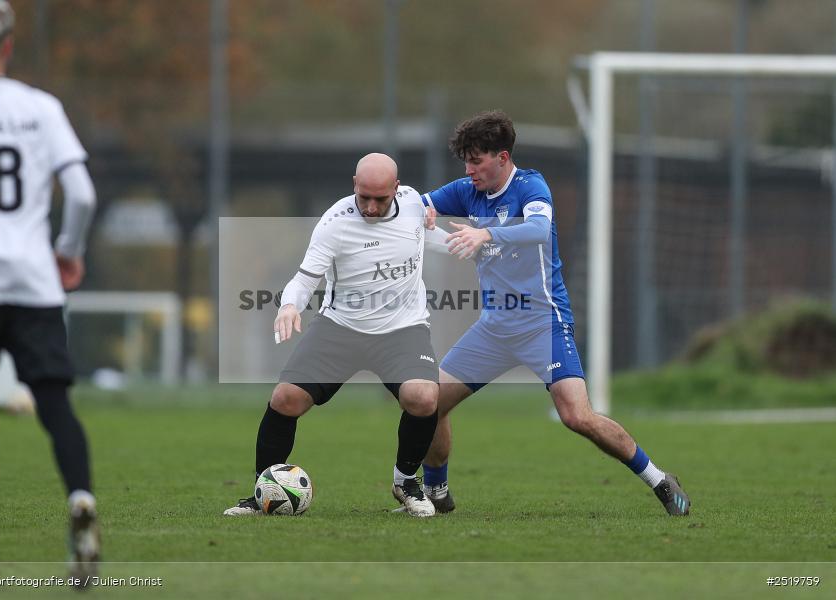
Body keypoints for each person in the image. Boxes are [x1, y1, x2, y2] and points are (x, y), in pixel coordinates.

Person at [419, 110, 690, 516]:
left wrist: (486, 233)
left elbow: (538, 231)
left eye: (477, 160)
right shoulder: (465, 190)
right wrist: (418, 211)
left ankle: (659, 480)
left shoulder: (531, 186)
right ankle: (436, 493)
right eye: (466, 160)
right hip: (493, 327)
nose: (469, 169)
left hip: (542, 324)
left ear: (503, 158)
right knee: (429, 403)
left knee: (577, 417)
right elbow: (416, 205)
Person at [0, 0, 100, 588]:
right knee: (55, 405)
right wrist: (67, 249)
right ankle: (81, 499)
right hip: (33, 282)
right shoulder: (41, 108)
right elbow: (80, 192)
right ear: (7, 46)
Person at [224, 153, 446, 518]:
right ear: (354, 185)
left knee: (423, 398)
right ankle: (262, 493)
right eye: (364, 198)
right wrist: (289, 305)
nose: (371, 208)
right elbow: (306, 277)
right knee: (285, 399)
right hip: (340, 328)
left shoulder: (412, 203)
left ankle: (405, 482)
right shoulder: (334, 223)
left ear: (396, 188)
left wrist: (477, 244)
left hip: (403, 329)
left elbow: (434, 236)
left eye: (381, 198)